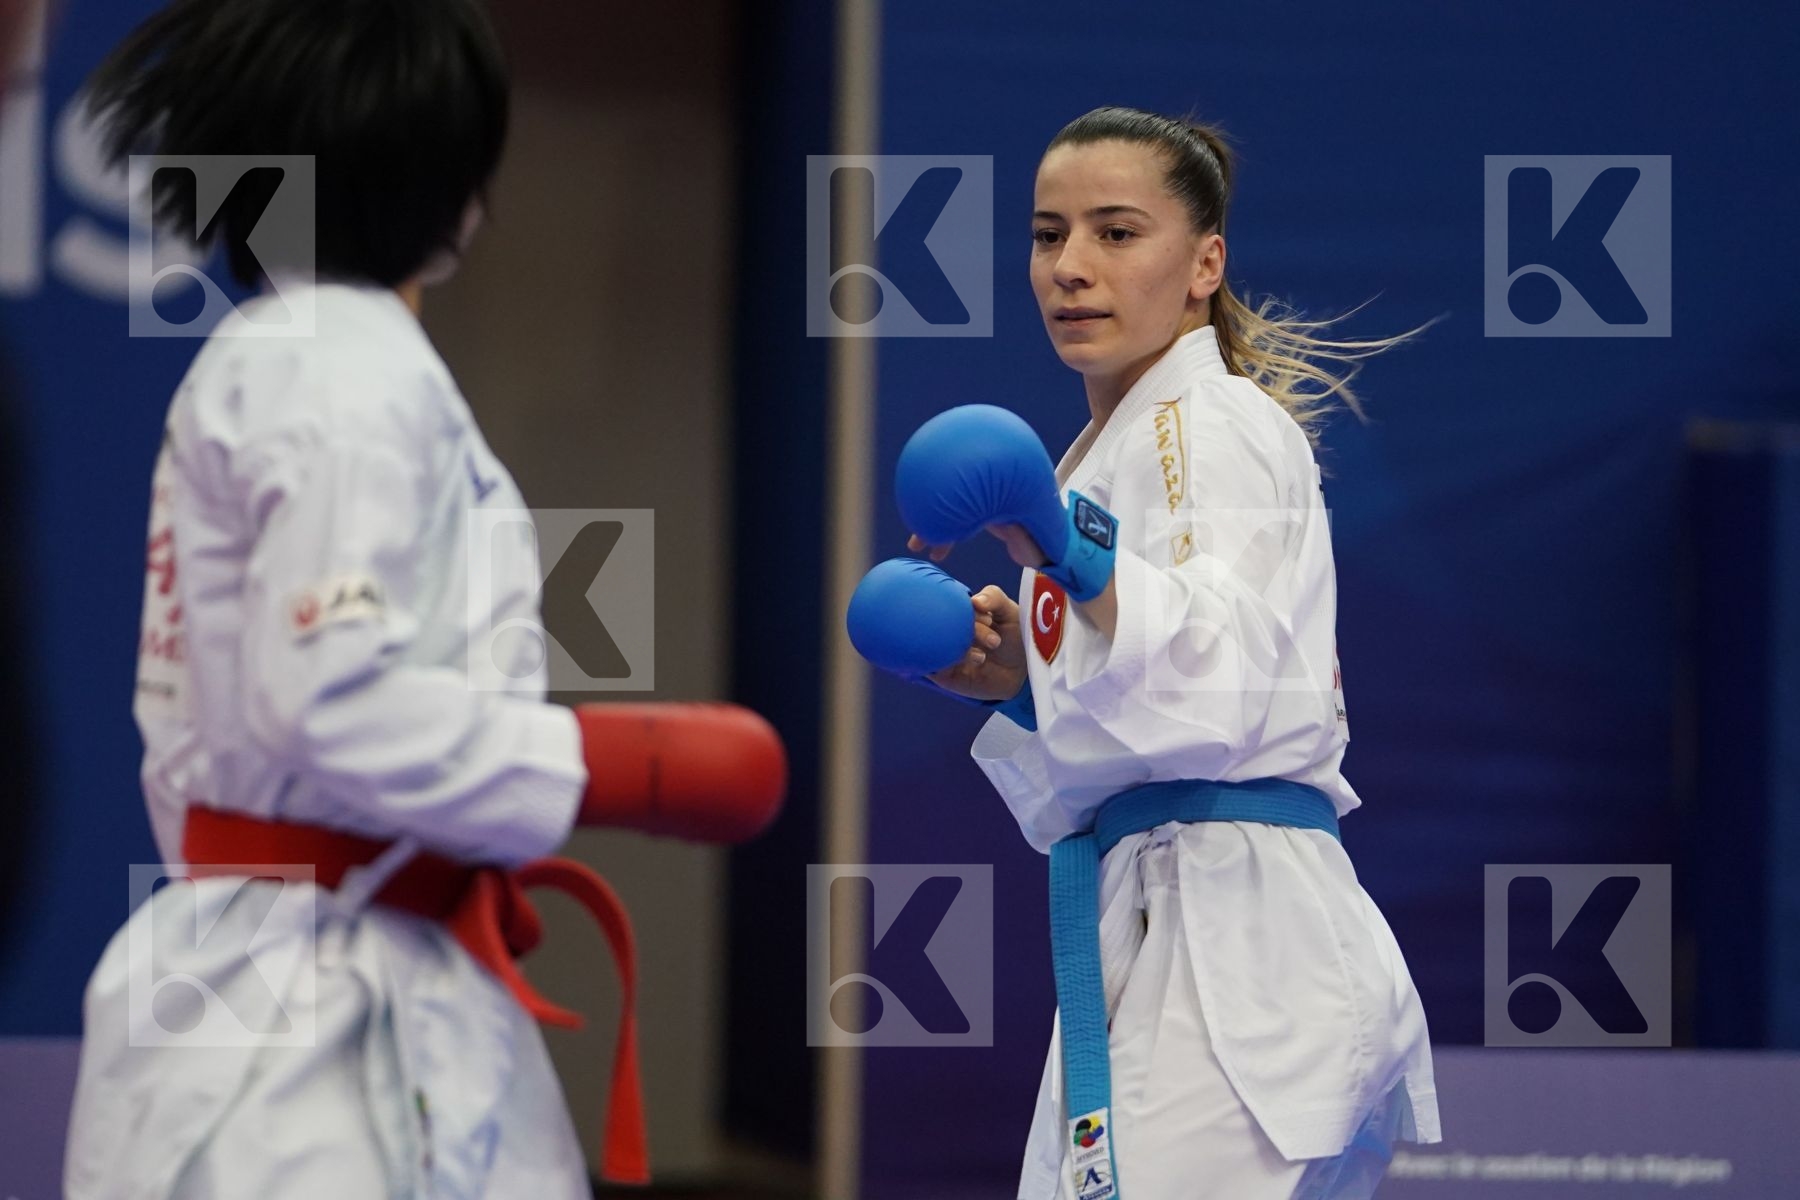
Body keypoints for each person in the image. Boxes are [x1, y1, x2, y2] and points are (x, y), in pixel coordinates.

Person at [63, 1, 785, 1197]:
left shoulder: (293, 352)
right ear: (451, 178)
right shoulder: (341, 360)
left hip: (335, 969)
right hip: (304, 1037)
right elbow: (326, 695)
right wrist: (607, 763)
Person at [871, 106, 1442, 1199]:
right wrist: (1023, 686)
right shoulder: (1106, 456)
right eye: (1048, 235)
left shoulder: (1206, 420)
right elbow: (1138, 732)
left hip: (1236, 951)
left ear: (1204, 262)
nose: (1071, 267)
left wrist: (1064, 550)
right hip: (1197, 931)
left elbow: (1215, 691)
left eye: (1116, 233)